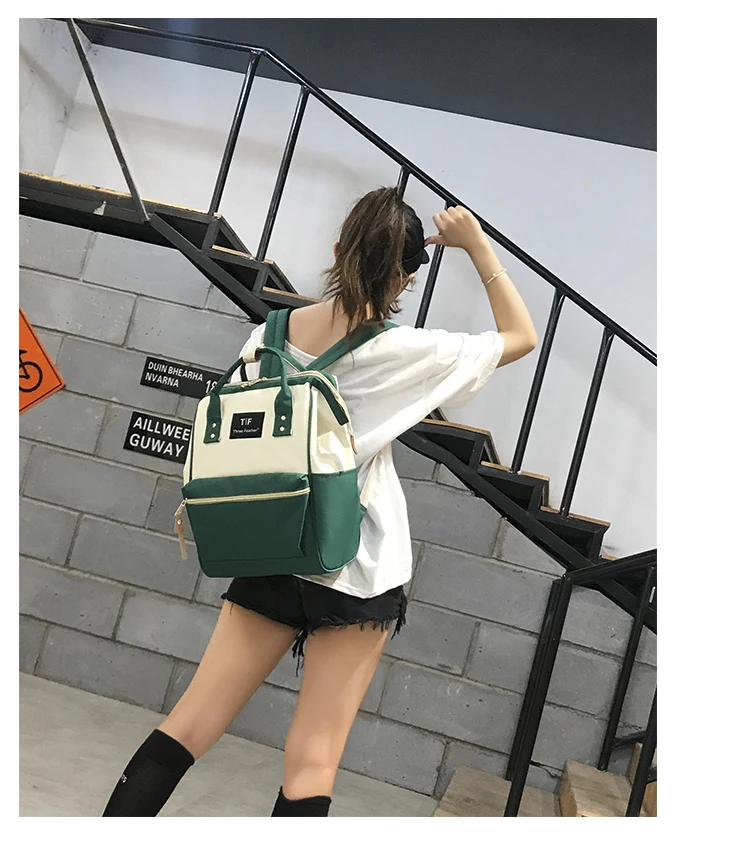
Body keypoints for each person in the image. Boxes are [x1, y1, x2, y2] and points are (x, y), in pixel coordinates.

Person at [101, 187, 537, 817]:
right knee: (312, 759)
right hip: (355, 567)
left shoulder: (268, 336)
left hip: (271, 544)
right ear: (408, 278)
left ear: (338, 249)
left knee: (189, 723)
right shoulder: (405, 352)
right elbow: (520, 335)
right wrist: (476, 247)